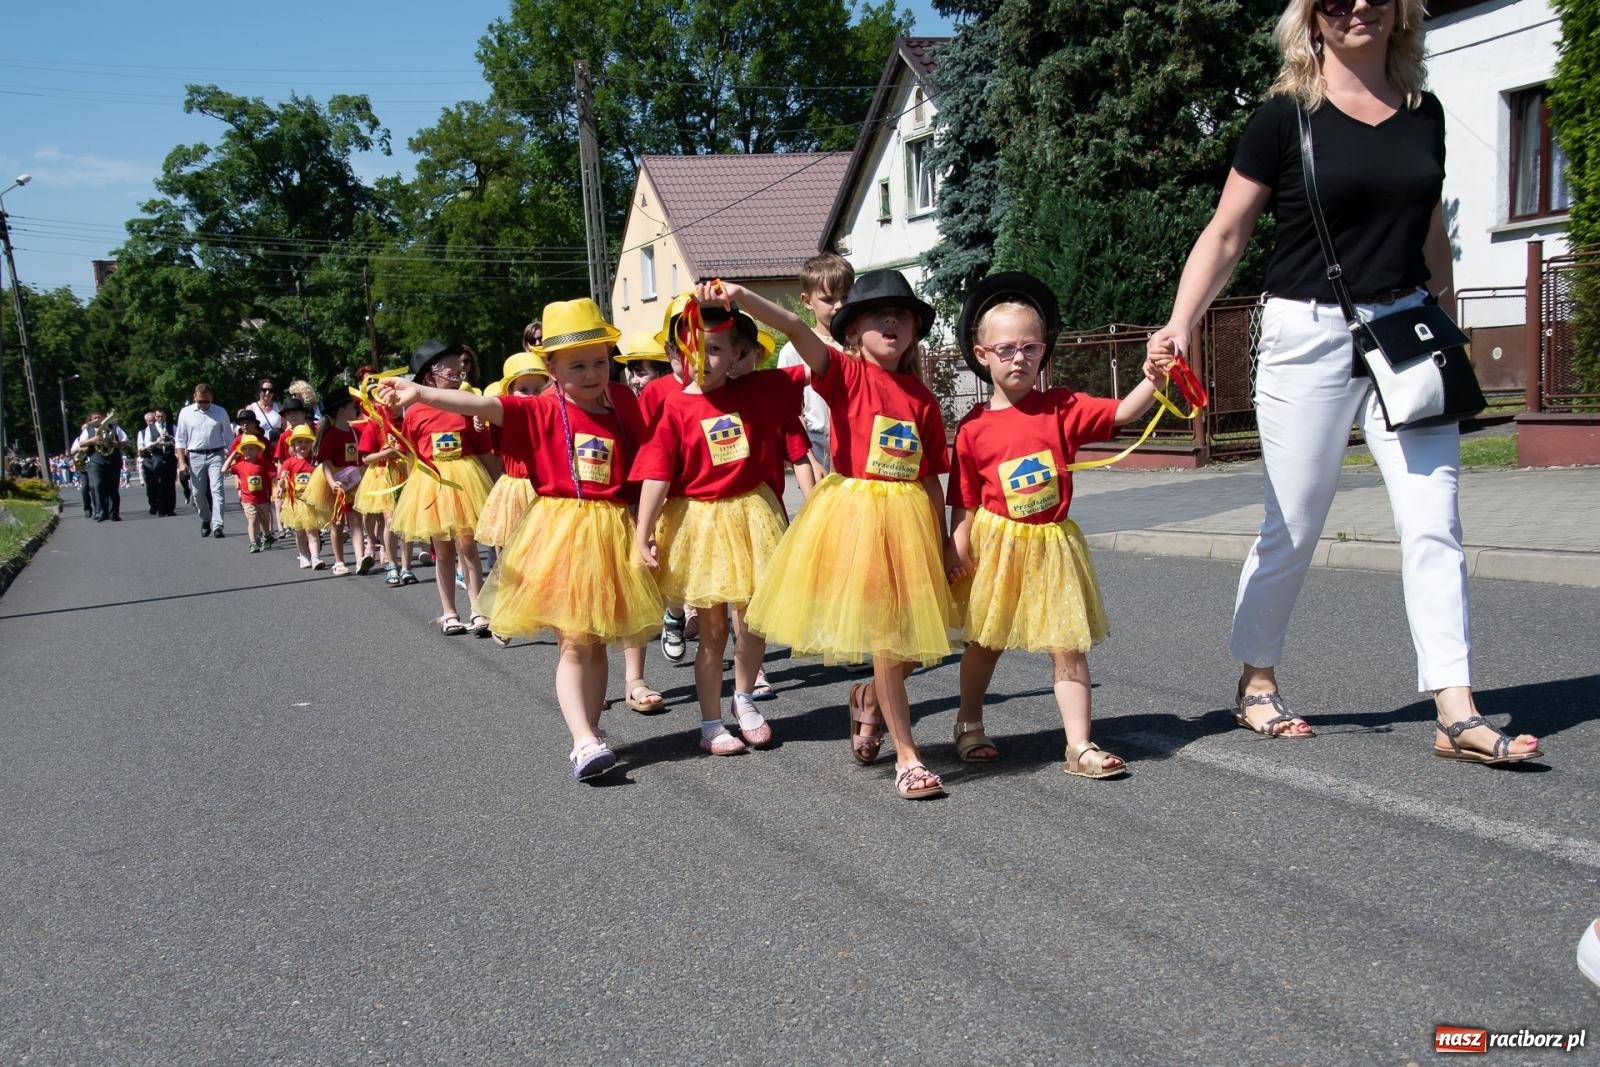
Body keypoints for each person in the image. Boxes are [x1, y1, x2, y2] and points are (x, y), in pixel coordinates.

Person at [1146, 0, 1539, 765]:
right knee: (1293, 523)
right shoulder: (1283, 117)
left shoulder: (1424, 114)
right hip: (1308, 334)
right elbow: (1227, 232)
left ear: (1401, 11)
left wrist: (1445, 325)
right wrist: (1179, 323)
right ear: (1311, 17)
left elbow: (1431, 233)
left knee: (1434, 518)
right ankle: (1257, 679)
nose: (1357, 6)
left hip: (1406, 332)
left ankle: (1455, 707)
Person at [380, 299, 660, 782]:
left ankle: (592, 730)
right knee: (573, 641)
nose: (592, 374)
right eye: (577, 365)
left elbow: (644, 464)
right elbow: (484, 405)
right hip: (561, 531)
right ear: (551, 367)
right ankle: (581, 740)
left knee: (596, 641)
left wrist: (644, 529)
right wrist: (420, 392)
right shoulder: (541, 409)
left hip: (612, 530)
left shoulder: (623, 403)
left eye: (599, 362)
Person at [731, 270, 955, 800]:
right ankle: (907, 758)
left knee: (916, 643)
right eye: (878, 315)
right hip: (858, 521)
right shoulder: (844, 373)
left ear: (914, 330)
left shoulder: (922, 398)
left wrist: (945, 543)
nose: (891, 323)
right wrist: (741, 296)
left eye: (901, 316)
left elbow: (930, 479)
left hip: (910, 524)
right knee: (888, 641)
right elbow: (793, 327)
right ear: (853, 330)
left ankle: (869, 699)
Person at [948, 273, 1175, 779]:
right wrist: (956, 547)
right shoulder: (973, 427)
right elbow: (963, 499)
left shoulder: (1061, 407)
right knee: (985, 642)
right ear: (982, 354)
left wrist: (1154, 378)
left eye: (1030, 347)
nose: (1019, 358)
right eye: (1006, 348)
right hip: (997, 545)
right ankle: (968, 722)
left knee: (1066, 643)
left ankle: (1079, 745)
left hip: (1052, 546)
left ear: (1043, 350)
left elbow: (1123, 411)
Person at [632, 299, 799, 755]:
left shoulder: (753, 390)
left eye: (715, 350)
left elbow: (809, 361)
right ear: (674, 353)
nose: (702, 360)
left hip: (750, 517)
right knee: (712, 632)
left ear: (738, 354)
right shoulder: (673, 408)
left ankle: (744, 698)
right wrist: (643, 532)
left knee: (753, 621)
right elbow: (656, 474)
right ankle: (710, 723)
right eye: (691, 349)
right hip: (700, 523)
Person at [389, 341, 495, 635]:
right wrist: (409, 494)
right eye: (450, 369)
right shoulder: (415, 412)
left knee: (468, 546)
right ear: (429, 376)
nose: (458, 372)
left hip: (465, 481)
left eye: (460, 368)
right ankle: (449, 612)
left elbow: (483, 450)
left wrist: (498, 483)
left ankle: (478, 609)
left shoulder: (467, 404)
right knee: (443, 550)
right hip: (432, 484)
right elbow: (411, 456)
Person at [777, 252, 852, 483]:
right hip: (816, 443)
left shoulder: (860, 344)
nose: (839, 306)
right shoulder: (793, 351)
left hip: (856, 439)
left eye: (845, 297)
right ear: (807, 301)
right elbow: (791, 412)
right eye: (828, 299)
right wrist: (810, 460)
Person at [304, 387, 365, 576]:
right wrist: (332, 483)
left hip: (353, 481)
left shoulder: (355, 432)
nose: (356, 409)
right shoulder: (331, 435)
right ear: (341, 410)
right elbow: (326, 464)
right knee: (337, 522)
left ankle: (360, 559)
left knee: (356, 520)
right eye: (352, 406)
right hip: (335, 482)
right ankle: (339, 561)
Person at [175, 382, 234, 538]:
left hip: (216, 454)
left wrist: (232, 457)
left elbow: (229, 437)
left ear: (211, 398)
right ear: (195, 397)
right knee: (198, 493)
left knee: (217, 489)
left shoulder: (220, 412)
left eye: (206, 401)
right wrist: (182, 463)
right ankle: (206, 518)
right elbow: (180, 439)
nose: (204, 404)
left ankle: (218, 525)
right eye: (200, 401)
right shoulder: (186, 413)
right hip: (195, 455)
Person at [277, 426, 325, 569]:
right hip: (296, 503)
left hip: (311, 503)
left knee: (312, 532)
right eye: (299, 442)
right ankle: (303, 556)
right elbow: (281, 483)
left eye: (306, 442)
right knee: (300, 533)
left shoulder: (314, 462)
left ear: (311, 444)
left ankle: (315, 557)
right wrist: (282, 480)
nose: (303, 445)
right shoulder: (289, 463)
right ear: (293, 445)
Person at [73, 411, 127, 522]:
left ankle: (114, 514)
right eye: (94, 418)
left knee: (113, 488)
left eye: (99, 417)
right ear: (91, 420)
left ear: (103, 418)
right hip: (95, 462)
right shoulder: (88, 430)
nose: (97, 419)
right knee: (97, 486)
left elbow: (125, 441)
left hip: (113, 461)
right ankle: (101, 512)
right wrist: (92, 440)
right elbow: (81, 443)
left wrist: (115, 443)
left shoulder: (114, 428)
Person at [230, 435, 274, 551]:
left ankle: (267, 535)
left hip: (262, 498)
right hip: (248, 499)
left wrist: (277, 487)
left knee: (264, 519)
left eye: (251, 448)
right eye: (245, 449)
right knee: (252, 519)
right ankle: (253, 542)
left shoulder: (263, 464)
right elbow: (223, 470)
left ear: (257, 450)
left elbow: (273, 475)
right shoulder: (240, 465)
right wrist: (232, 456)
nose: (248, 451)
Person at [137, 408, 179, 516]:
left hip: (169, 456)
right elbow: (146, 443)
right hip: (157, 456)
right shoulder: (150, 428)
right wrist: (156, 442)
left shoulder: (172, 426)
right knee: (159, 482)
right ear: (155, 417)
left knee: (170, 483)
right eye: (158, 416)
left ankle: (170, 509)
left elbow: (179, 440)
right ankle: (161, 509)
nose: (160, 418)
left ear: (165, 416)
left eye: (162, 416)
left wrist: (170, 438)